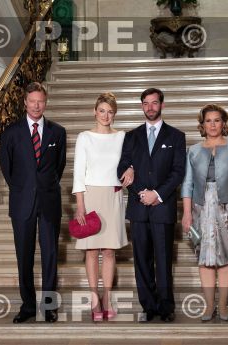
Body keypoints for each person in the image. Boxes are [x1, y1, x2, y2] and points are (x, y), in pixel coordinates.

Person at [0, 82, 67, 323]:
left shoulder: (58, 132)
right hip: (22, 202)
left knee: (50, 256)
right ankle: (28, 306)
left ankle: (49, 307)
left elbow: (59, 166)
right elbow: (7, 168)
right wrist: (23, 187)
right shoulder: (11, 132)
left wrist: (44, 185)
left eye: (41, 101)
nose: (37, 105)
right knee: (24, 256)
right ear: (25, 103)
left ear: (45, 102)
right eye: (32, 101)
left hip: (49, 202)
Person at [117, 88, 186, 323]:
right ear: (142, 106)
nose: (150, 107)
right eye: (145, 103)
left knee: (164, 259)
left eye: (154, 103)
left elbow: (178, 172)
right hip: (138, 207)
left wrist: (157, 194)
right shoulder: (131, 136)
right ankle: (149, 306)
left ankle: (166, 307)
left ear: (162, 105)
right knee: (142, 260)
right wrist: (139, 191)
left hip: (163, 207)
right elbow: (122, 168)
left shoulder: (176, 136)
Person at [181, 103, 228, 322]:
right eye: (208, 120)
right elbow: (187, 184)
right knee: (204, 257)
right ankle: (209, 306)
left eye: (217, 120)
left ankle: (222, 305)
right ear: (202, 125)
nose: (212, 125)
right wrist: (186, 213)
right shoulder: (192, 151)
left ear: (224, 123)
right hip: (200, 210)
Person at [72, 92, 132, 322]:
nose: (106, 116)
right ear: (94, 112)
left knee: (109, 251)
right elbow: (79, 172)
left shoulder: (122, 137)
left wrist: (132, 169)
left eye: (110, 112)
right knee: (91, 250)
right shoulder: (84, 137)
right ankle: (94, 299)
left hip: (114, 196)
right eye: (102, 111)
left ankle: (107, 298)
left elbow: (129, 162)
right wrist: (80, 205)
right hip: (90, 196)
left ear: (114, 114)